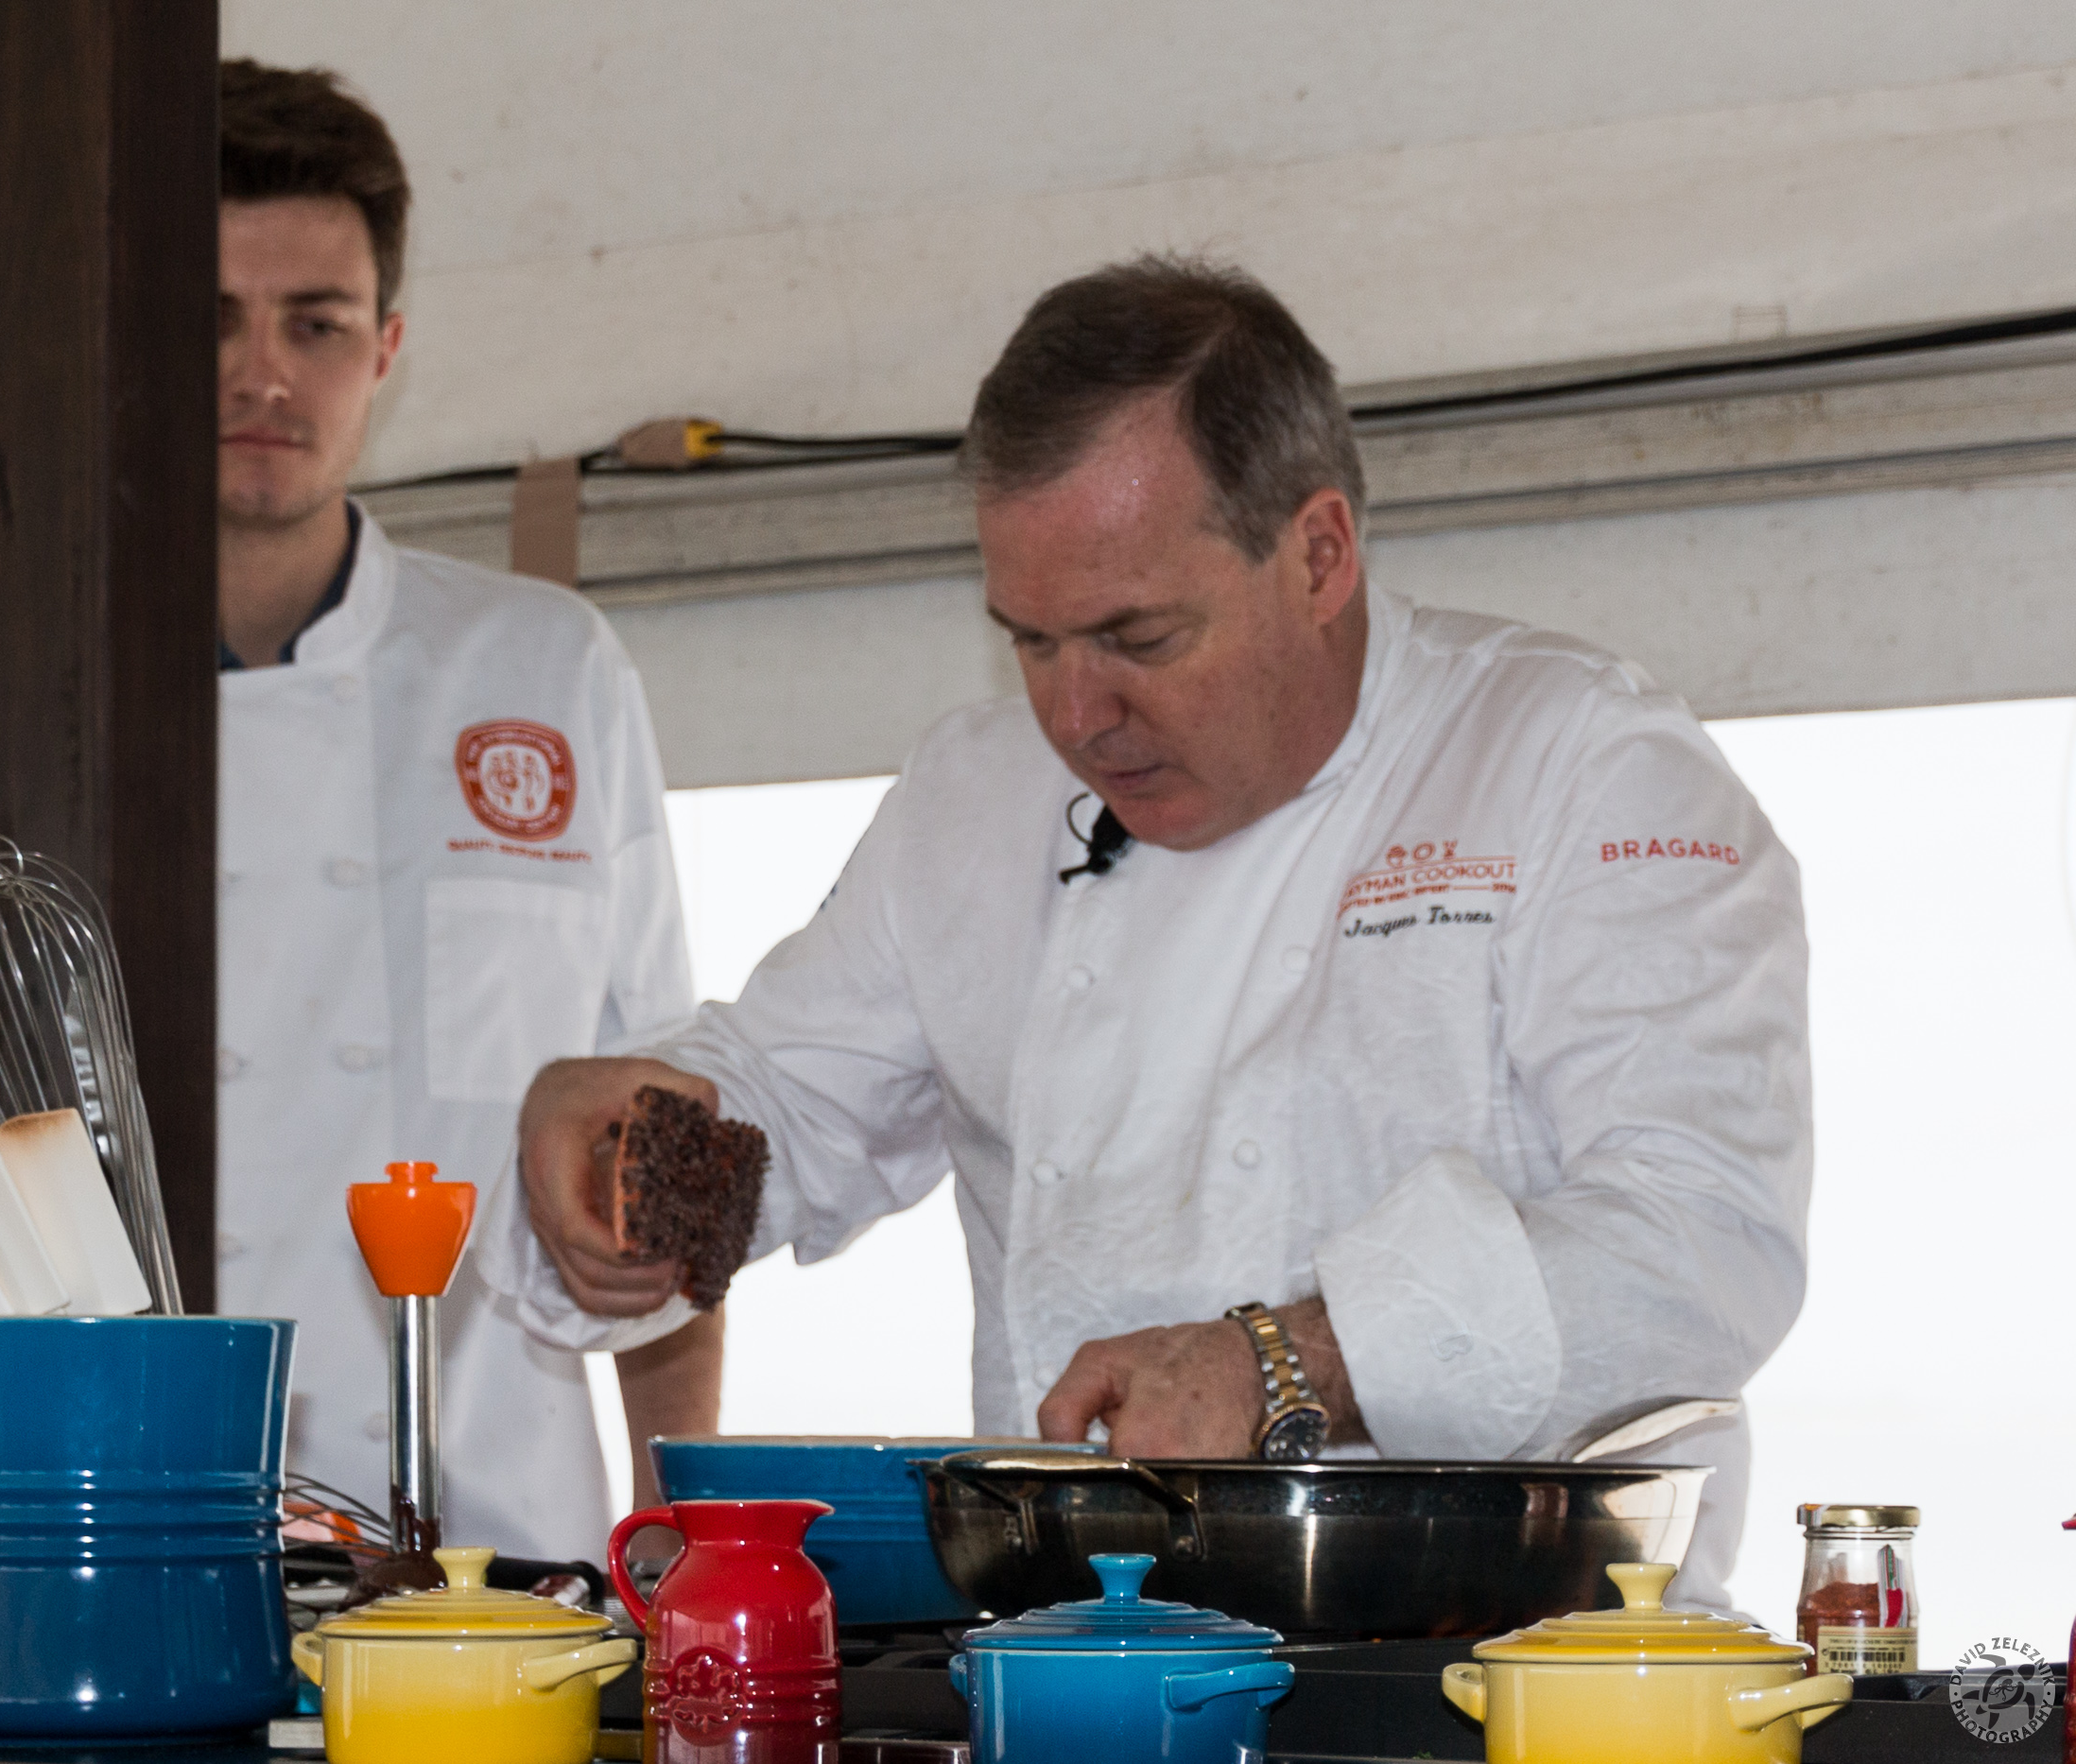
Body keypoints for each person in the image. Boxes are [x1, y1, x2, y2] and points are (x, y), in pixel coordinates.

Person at [492, 257, 1810, 1608]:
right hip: (1089, 1669)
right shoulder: (972, 801)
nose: (1077, 714)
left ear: (1318, 555)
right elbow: (779, 1099)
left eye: (1137, 635)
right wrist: (613, 1141)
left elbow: (1700, 1238)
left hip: (1520, 1680)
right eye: (1031, 641)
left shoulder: (1578, 766)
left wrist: (1286, 1359)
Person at [0, 60, 718, 1563]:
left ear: (383, 349)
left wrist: (687, 1547)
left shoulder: (543, 668)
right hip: (113, 1544)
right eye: (210, 320)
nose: (264, 375)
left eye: (315, 323)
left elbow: (663, 1179)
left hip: (508, 1558)